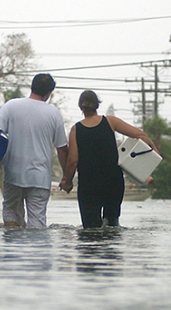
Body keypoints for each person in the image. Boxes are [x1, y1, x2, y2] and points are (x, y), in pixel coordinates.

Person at [0, 73, 68, 229]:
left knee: (11, 213)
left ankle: (13, 250)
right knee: (37, 222)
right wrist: (66, 177)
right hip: (40, 178)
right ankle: (34, 252)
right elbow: (62, 149)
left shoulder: (12, 106)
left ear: (32, 87)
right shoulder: (54, 114)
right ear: (49, 93)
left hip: (13, 175)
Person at [61, 90, 159, 228]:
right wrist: (154, 150)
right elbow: (139, 134)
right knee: (112, 227)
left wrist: (67, 181)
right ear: (97, 105)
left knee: (91, 230)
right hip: (113, 183)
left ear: (80, 107)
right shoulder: (110, 121)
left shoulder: (76, 129)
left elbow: (72, 161)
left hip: (89, 186)